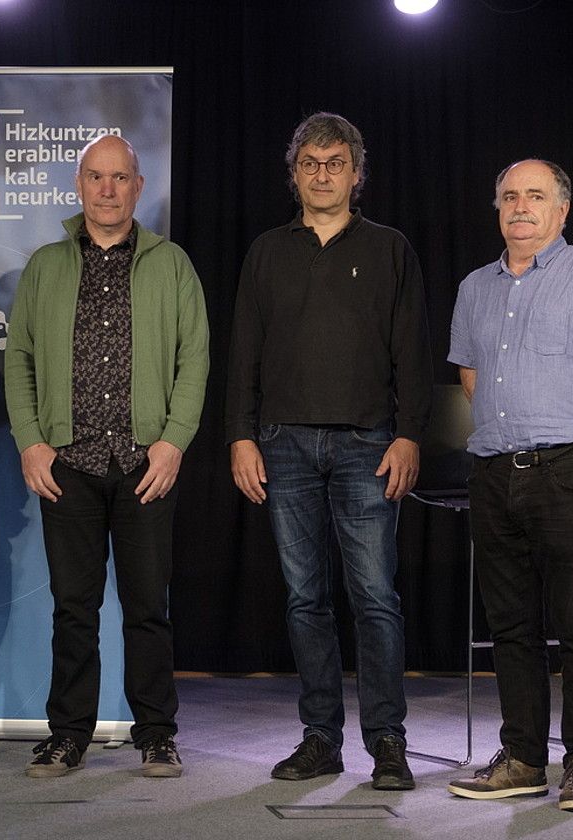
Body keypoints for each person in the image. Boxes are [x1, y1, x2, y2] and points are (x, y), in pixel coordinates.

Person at [225, 112, 432, 790]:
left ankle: (388, 742)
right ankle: (320, 738)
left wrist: (408, 434)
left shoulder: (390, 249)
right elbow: (243, 357)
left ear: (356, 173)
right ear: (295, 174)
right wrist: (239, 436)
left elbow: (412, 351)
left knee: (374, 597)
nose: (322, 174)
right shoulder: (266, 252)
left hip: (369, 445)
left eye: (334, 162)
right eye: (310, 163)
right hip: (282, 445)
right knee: (305, 598)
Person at [446, 159, 573, 812]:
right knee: (512, 629)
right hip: (493, 476)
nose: (520, 207)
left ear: (562, 210)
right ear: (497, 209)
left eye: (535, 196)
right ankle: (525, 760)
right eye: (509, 196)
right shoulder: (473, 287)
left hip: (572, 472)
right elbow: (471, 377)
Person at [4, 134, 208, 779]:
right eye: (96, 177)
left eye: (120, 178)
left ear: (138, 186)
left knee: (149, 608)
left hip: (147, 464)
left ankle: (156, 735)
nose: (108, 189)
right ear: (80, 185)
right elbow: (21, 360)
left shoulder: (171, 263)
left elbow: (194, 359)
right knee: (74, 609)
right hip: (70, 464)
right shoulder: (45, 265)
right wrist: (31, 441)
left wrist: (173, 442)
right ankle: (67, 736)